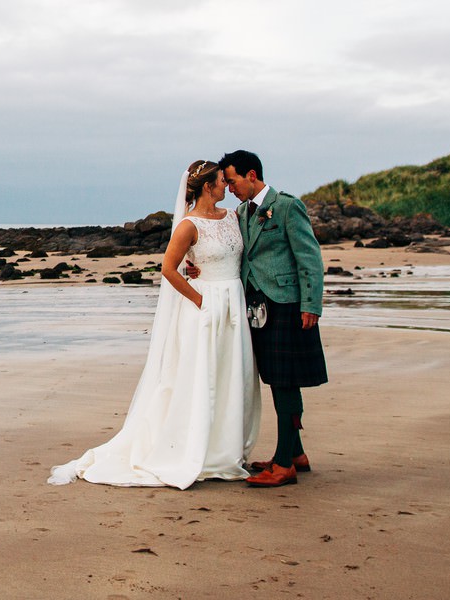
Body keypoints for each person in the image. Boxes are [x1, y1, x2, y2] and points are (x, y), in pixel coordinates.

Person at [48, 160, 260, 489]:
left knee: (234, 375)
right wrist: (199, 298)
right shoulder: (189, 225)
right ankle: (197, 450)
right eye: (221, 181)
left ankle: (227, 450)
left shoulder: (233, 216)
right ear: (207, 186)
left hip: (234, 302)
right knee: (203, 379)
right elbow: (169, 268)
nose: (226, 186)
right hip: (206, 308)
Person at [216, 149, 328, 488]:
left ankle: (283, 465)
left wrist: (311, 305)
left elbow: (309, 257)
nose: (230, 188)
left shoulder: (287, 207)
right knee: (276, 377)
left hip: (288, 304)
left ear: (252, 176)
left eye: (233, 181)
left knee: (285, 380)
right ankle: (296, 453)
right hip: (257, 307)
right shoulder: (240, 212)